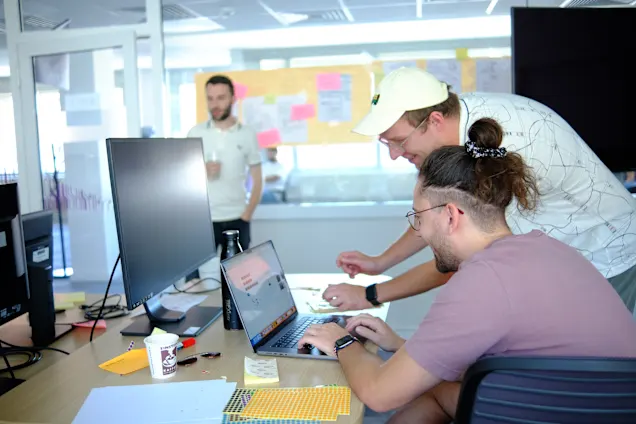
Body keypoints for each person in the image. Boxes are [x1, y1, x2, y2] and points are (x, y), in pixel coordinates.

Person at [300, 117, 636, 423]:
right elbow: (493, 367)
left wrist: (343, 342)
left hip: (559, 411)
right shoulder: (546, 249)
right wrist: (401, 345)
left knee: (417, 397)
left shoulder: (484, 279)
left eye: (419, 217)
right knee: (435, 393)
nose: (421, 231)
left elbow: (380, 393)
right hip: (595, 409)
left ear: (450, 215)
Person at [326, 67, 636, 313]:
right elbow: (436, 214)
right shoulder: (463, 122)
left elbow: (458, 255)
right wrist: (381, 262)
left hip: (607, 255)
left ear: (433, 120)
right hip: (561, 258)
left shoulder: (501, 150)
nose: (394, 154)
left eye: (399, 141)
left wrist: (370, 295)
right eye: (386, 142)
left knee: (599, 377)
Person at [187, 75, 262, 249]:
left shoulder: (247, 133)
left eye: (221, 98)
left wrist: (247, 215)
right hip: (203, 220)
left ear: (233, 99)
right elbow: (185, 180)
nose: (215, 104)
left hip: (238, 218)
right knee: (197, 276)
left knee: (236, 276)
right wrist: (202, 172)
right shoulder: (195, 133)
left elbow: (257, 179)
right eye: (210, 98)